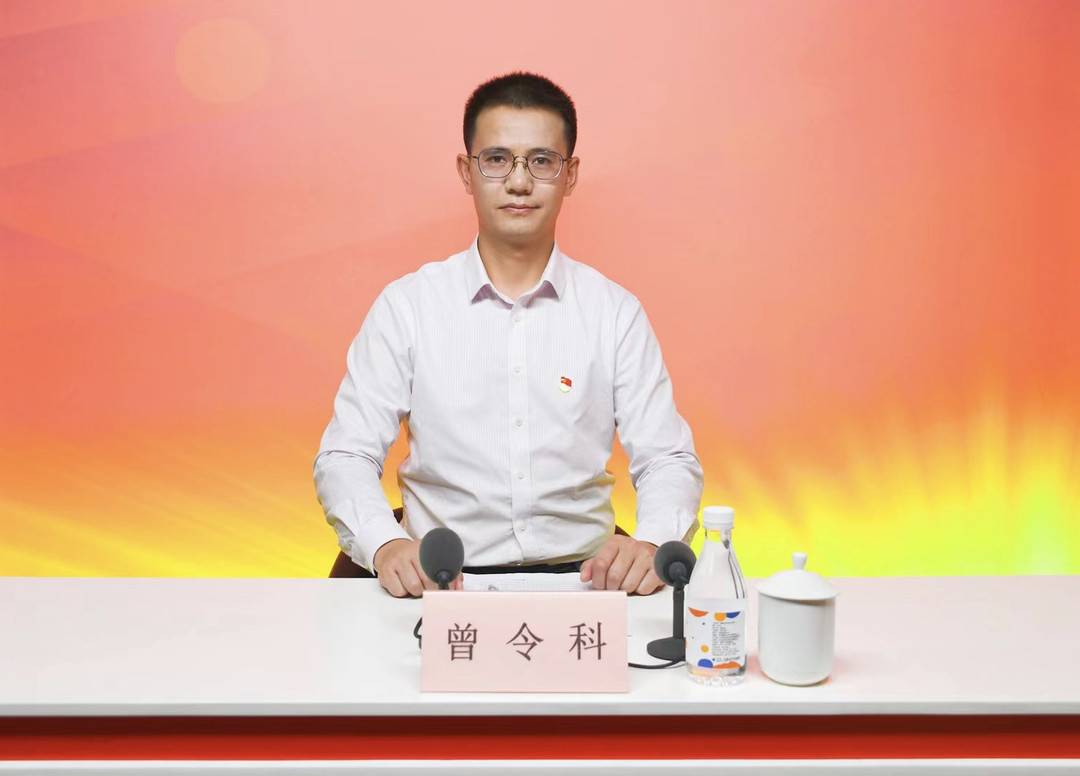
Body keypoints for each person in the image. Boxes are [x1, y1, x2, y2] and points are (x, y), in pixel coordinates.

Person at [314, 71, 703, 598]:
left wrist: (653, 540)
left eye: (541, 161)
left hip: (584, 584)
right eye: (497, 159)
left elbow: (666, 458)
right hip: (438, 582)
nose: (519, 182)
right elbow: (346, 454)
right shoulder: (408, 306)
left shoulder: (614, 312)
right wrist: (385, 545)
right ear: (466, 171)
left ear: (570, 174)